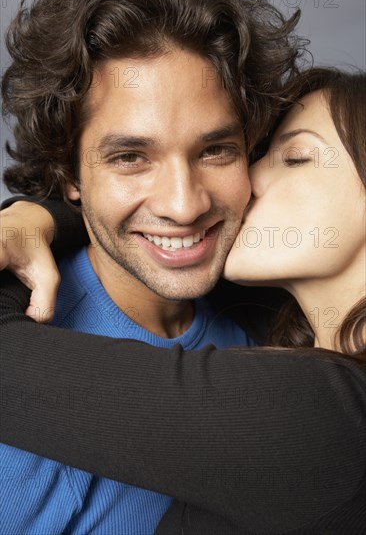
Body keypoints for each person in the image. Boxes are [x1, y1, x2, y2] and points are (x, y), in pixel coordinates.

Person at [1, 68, 365, 534]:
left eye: (295, 158)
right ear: (70, 173)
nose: (249, 178)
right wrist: (44, 215)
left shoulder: (323, 409)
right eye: (130, 156)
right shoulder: (262, 315)